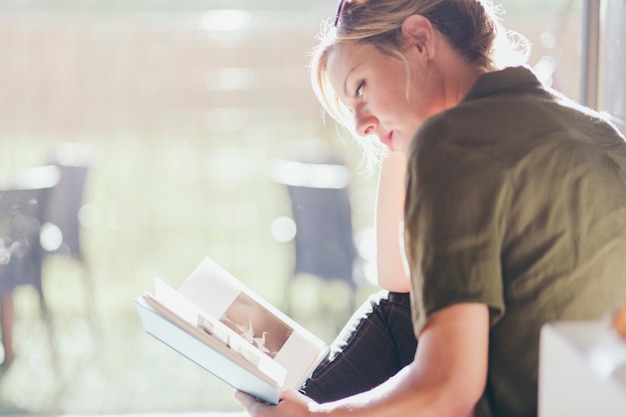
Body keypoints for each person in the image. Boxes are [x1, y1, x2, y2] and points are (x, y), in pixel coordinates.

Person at [236, 0, 626, 416]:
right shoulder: (603, 134)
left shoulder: (454, 141)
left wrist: (319, 416)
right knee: (399, 309)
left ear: (420, 40)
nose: (359, 126)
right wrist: (400, 123)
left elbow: (448, 388)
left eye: (360, 87)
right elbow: (401, 281)